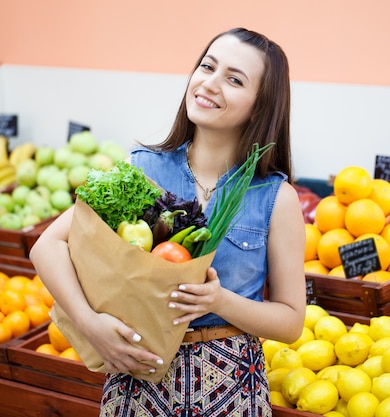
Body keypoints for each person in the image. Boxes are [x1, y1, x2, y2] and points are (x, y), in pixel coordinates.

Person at [30, 27, 306, 416]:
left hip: (229, 386)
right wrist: (90, 324)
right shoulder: (144, 169)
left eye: (233, 79)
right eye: (207, 66)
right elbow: (48, 246)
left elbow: (291, 321)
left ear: (261, 105)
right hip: (139, 378)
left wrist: (219, 300)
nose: (210, 84)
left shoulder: (275, 198)